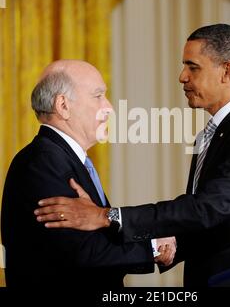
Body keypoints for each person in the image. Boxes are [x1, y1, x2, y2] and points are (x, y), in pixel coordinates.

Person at [34, 24, 230, 287]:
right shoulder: (212, 134)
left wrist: (106, 216)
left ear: (227, 71)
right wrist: (161, 247)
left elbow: (207, 207)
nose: (182, 76)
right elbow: (202, 216)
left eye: (193, 67)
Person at [1, 60, 176, 288]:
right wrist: (152, 247)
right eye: (98, 96)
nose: (109, 107)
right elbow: (80, 251)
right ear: (63, 105)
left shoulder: (62, 158)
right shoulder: (43, 161)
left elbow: (96, 235)